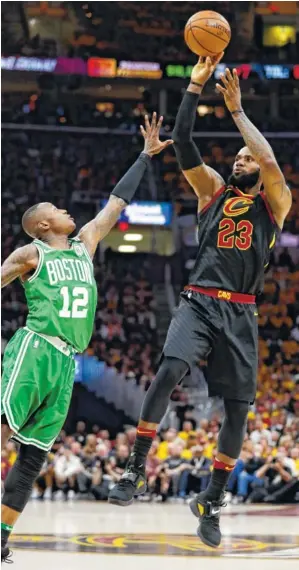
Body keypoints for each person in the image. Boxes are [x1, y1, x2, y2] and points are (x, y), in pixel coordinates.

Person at [108, 55, 292, 548]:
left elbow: (270, 161)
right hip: (199, 300)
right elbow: (184, 143)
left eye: (245, 158)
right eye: (238, 157)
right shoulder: (212, 190)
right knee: (168, 371)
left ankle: (211, 502)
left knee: (237, 411)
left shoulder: (274, 203)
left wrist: (237, 112)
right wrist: (193, 87)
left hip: (241, 309)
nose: (241, 160)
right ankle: (133, 471)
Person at [0, 113, 172, 563]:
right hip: (36, 348)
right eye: (56, 210)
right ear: (42, 226)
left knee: (32, 458)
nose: (66, 211)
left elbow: (116, 203)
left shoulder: (85, 243)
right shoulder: (29, 253)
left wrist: (144, 157)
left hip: (67, 362)